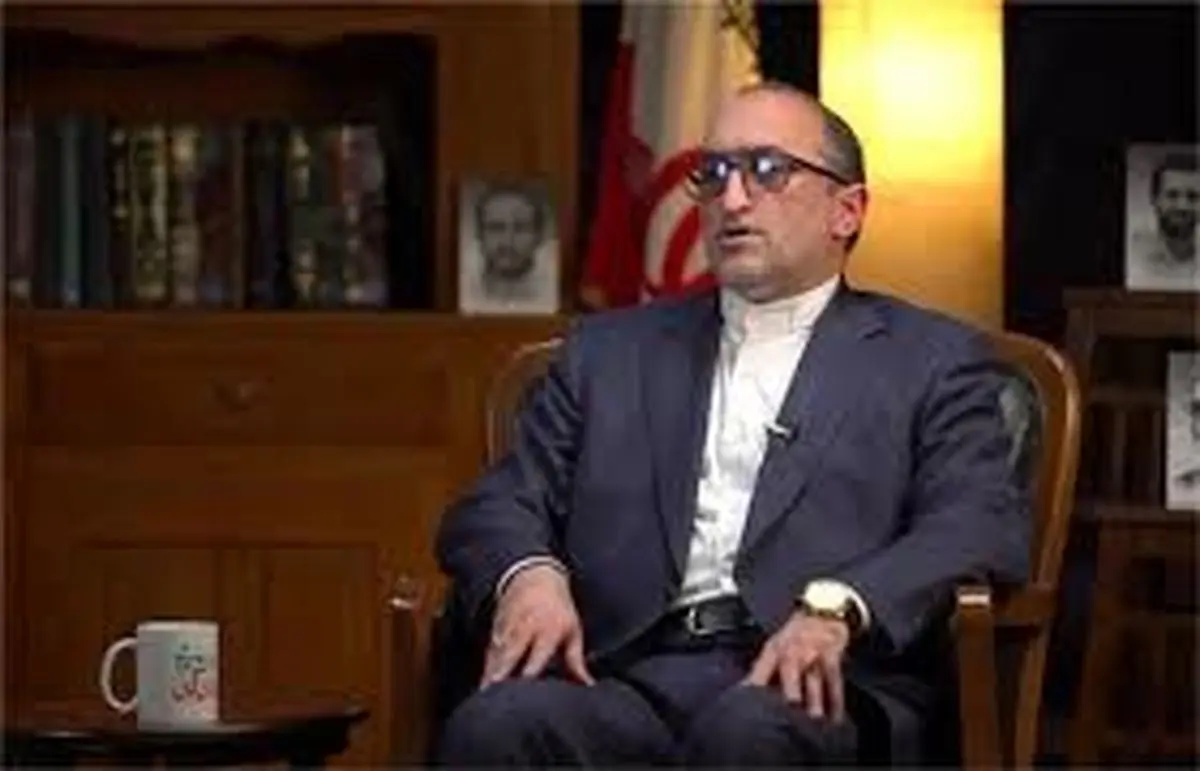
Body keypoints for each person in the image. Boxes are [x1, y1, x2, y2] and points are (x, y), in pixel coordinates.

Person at [434, 82, 1030, 766]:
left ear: (847, 210)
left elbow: (979, 523)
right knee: (497, 724)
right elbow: (498, 504)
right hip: (626, 675)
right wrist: (529, 574)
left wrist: (840, 605)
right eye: (713, 173)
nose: (733, 199)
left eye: (768, 170)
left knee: (748, 735)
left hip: (818, 684)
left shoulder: (931, 358)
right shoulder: (608, 353)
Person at [460, 183, 559, 314]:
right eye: (496, 228)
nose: (508, 241)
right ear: (479, 234)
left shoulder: (555, 294)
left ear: (539, 235)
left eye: (521, 228)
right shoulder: (462, 291)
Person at [1126, 150, 1199, 292]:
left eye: (1193, 197)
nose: (1182, 206)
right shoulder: (1134, 257)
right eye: (1172, 195)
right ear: (1155, 199)